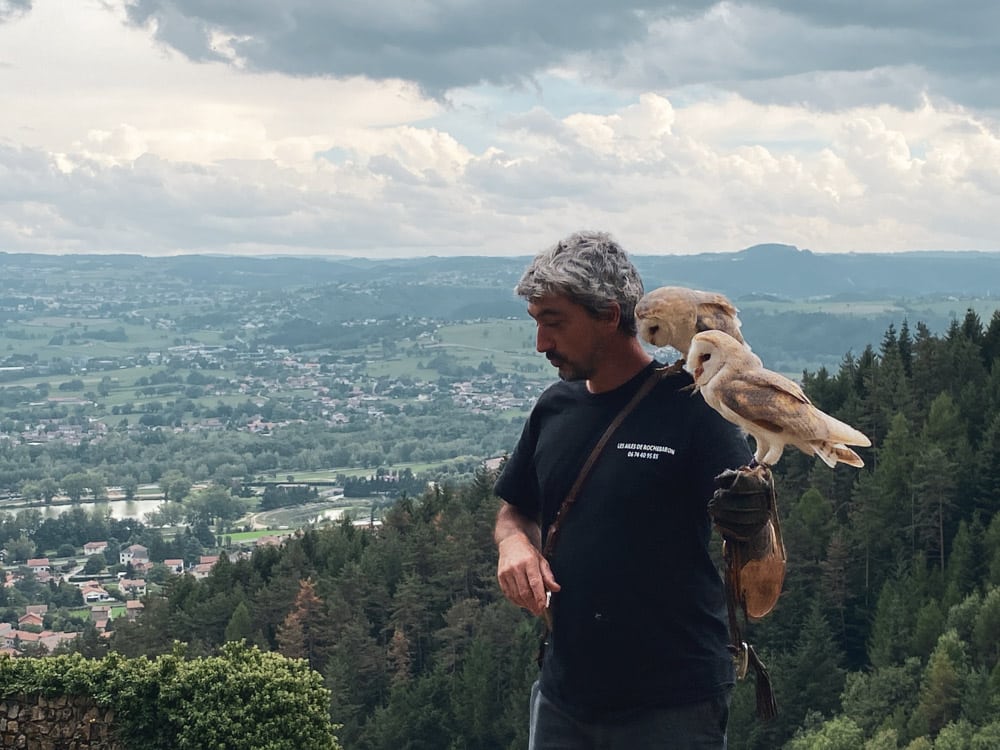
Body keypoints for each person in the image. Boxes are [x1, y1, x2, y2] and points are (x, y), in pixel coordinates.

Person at [493, 230, 754, 749]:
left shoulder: (693, 407)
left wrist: (752, 512)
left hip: (672, 706)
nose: (541, 343)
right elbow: (514, 509)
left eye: (554, 322)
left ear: (610, 316)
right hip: (564, 698)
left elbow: (754, 530)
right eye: (537, 323)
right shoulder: (554, 407)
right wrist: (514, 544)